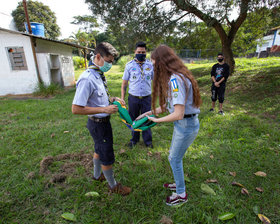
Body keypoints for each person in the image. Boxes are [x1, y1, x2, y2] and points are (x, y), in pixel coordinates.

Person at [136, 45, 202, 206]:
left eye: (154, 65)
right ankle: (178, 183)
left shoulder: (175, 79)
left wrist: (156, 121)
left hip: (185, 124)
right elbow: (168, 107)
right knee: (174, 156)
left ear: (161, 63)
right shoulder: (177, 76)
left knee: (174, 158)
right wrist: (148, 113)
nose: (153, 69)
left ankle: (181, 194)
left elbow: (178, 113)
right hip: (184, 124)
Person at [72, 42, 131, 196]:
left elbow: (98, 98)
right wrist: (104, 109)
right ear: (98, 57)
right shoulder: (87, 79)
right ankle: (113, 186)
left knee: (99, 149)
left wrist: (113, 100)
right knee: (106, 155)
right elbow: (76, 108)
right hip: (97, 124)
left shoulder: (98, 73)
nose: (110, 65)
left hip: (102, 124)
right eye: (109, 61)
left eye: (112, 62)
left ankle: (97, 175)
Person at [121, 41, 154, 149]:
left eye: (143, 52)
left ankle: (148, 141)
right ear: (135, 52)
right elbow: (124, 83)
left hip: (146, 98)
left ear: (146, 52)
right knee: (133, 119)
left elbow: (155, 80)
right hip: (133, 98)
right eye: (139, 51)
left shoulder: (150, 65)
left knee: (147, 118)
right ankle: (134, 140)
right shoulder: (129, 66)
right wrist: (122, 98)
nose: (141, 53)